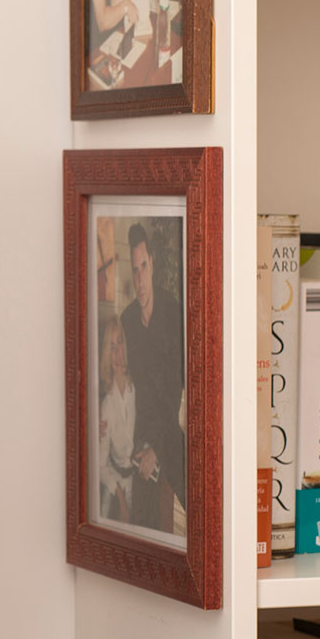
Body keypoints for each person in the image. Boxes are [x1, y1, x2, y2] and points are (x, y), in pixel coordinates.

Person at [120, 222, 185, 534]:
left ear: (153, 263)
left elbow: (174, 392)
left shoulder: (173, 312)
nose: (139, 278)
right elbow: (127, 384)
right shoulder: (128, 320)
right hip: (140, 437)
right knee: (143, 526)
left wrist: (155, 448)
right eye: (134, 270)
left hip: (169, 432)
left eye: (143, 266)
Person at [97, 320, 136, 522]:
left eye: (120, 341)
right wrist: (119, 495)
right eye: (111, 347)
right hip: (115, 487)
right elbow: (100, 466)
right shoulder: (106, 406)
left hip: (140, 482)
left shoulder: (137, 388)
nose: (118, 351)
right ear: (107, 356)